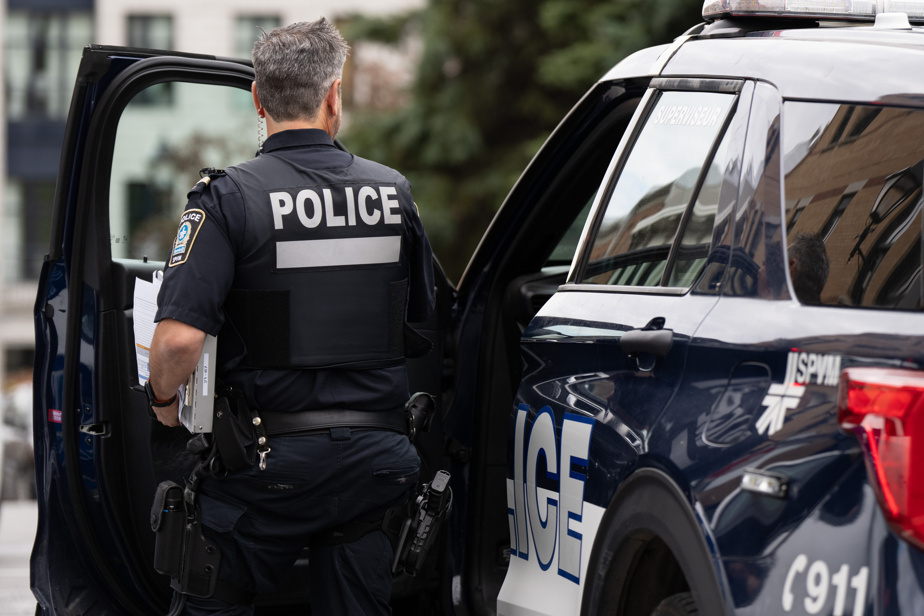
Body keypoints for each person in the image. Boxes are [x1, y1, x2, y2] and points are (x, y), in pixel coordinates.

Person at [146, 18, 435, 616]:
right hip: (377, 463)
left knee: (209, 595)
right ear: (334, 95)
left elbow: (176, 342)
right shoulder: (393, 191)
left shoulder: (226, 198)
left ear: (257, 97)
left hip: (268, 467)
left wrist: (163, 406)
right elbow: (420, 324)